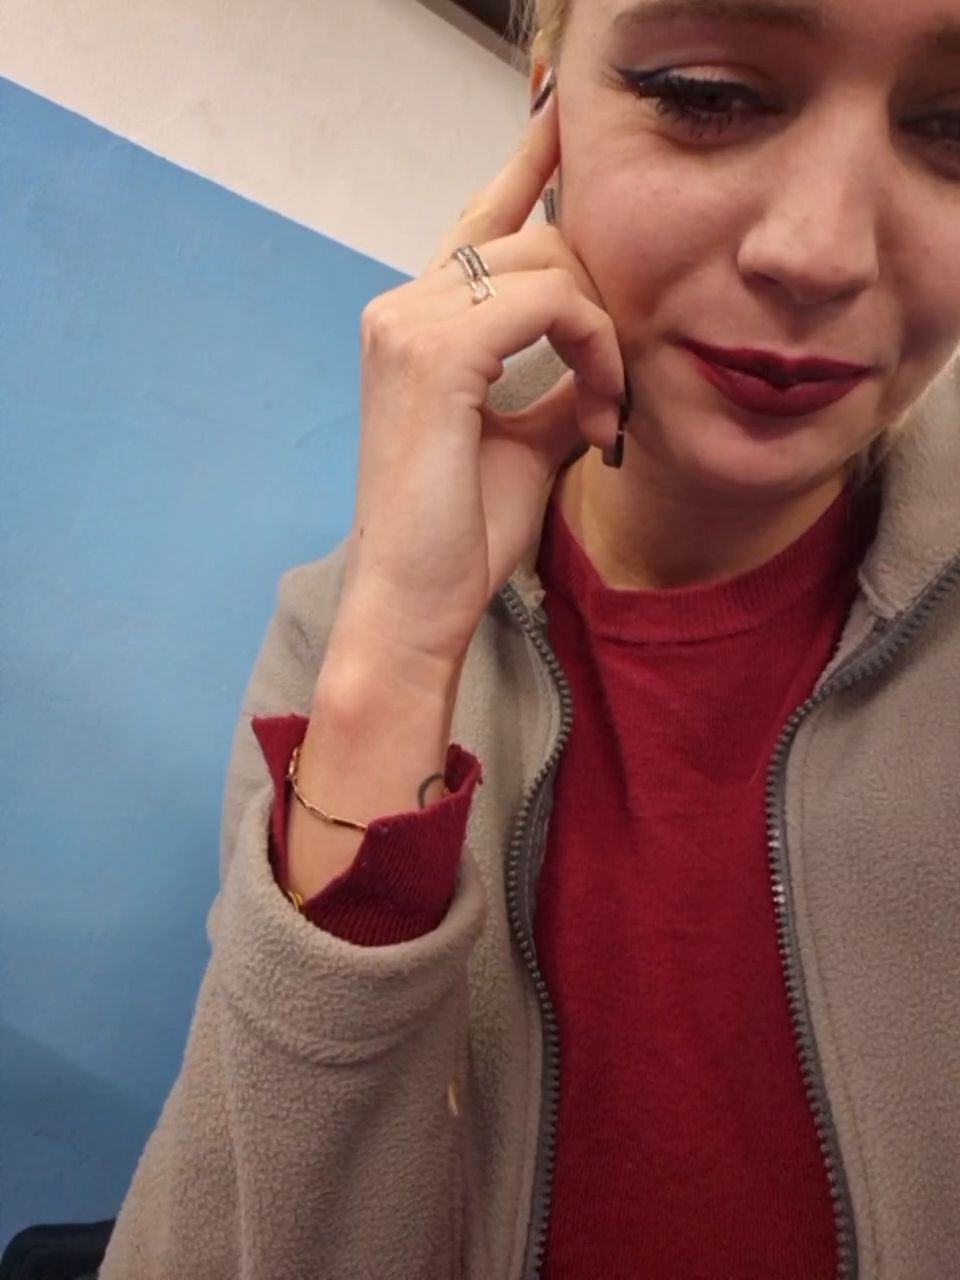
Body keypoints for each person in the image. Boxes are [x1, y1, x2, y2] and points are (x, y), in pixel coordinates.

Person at [99, 0, 960, 1276]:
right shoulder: (339, 639)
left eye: (955, 129)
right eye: (708, 94)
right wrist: (396, 654)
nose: (819, 252)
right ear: (548, 106)